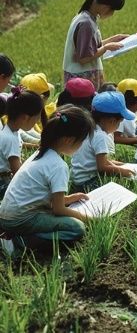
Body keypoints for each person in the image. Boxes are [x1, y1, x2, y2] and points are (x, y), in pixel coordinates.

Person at [0, 105, 95, 254]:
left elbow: (46, 198)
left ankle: (16, 235)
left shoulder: (41, 153)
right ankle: (20, 242)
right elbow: (58, 209)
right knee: (77, 228)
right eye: (81, 141)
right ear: (68, 140)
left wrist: (69, 198)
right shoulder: (58, 166)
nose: (81, 145)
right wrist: (91, 219)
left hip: (8, 215)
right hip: (21, 220)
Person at [63, 0, 129, 90]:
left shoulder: (86, 17)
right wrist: (106, 48)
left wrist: (114, 39)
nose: (112, 14)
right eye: (112, 10)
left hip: (81, 79)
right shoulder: (86, 23)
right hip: (81, 81)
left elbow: (90, 47)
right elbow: (83, 58)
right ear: (105, 5)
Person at [71, 91, 135, 192]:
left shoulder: (88, 128)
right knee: (119, 192)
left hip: (77, 181)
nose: (118, 126)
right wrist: (125, 173)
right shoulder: (100, 136)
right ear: (112, 120)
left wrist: (120, 165)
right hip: (88, 183)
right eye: (119, 123)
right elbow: (102, 167)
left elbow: (103, 161)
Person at [0, 88, 44, 198]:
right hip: (3, 183)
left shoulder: (10, 131)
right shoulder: (11, 139)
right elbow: (17, 172)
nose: (35, 124)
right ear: (25, 117)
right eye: (35, 120)